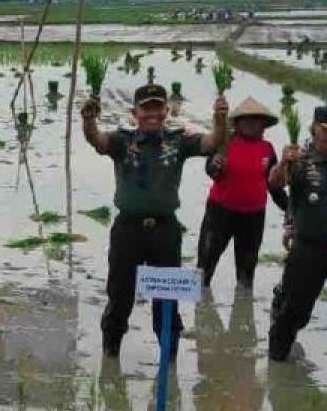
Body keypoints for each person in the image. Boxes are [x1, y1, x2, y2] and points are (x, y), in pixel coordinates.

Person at [82, 83, 228, 359]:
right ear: (134, 112)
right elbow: (96, 140)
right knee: (120, 295)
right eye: (146, 108)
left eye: (157, 107)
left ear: (166, 110)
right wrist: (89, 119)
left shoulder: (178, 140)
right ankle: (110, 357)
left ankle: (168, 361)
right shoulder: (122, 141)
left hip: (164, 230)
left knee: (166, 299)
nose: (152, 114)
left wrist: (220, 119)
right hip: (128, 230)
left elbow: (211, 142)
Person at [267, 106, 327, 362]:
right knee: (294, 312)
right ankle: (277, 365)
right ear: (315, 130)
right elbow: (274, 183)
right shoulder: (300, 162)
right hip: (307, 253)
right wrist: (284, 163)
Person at [196, 97, 288, 289]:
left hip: (253, 217)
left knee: (246, 273)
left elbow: (273, 185)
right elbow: (211, 171)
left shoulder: (267, 149)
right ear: (237, 123)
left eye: (258, 120)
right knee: (205, 266)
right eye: (248, 120)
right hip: (220, 213)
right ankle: (202, 310)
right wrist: (216, 165)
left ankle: (243, 313)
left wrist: (290, 209)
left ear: (264, 124)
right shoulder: (225, 143)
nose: (253, 124)